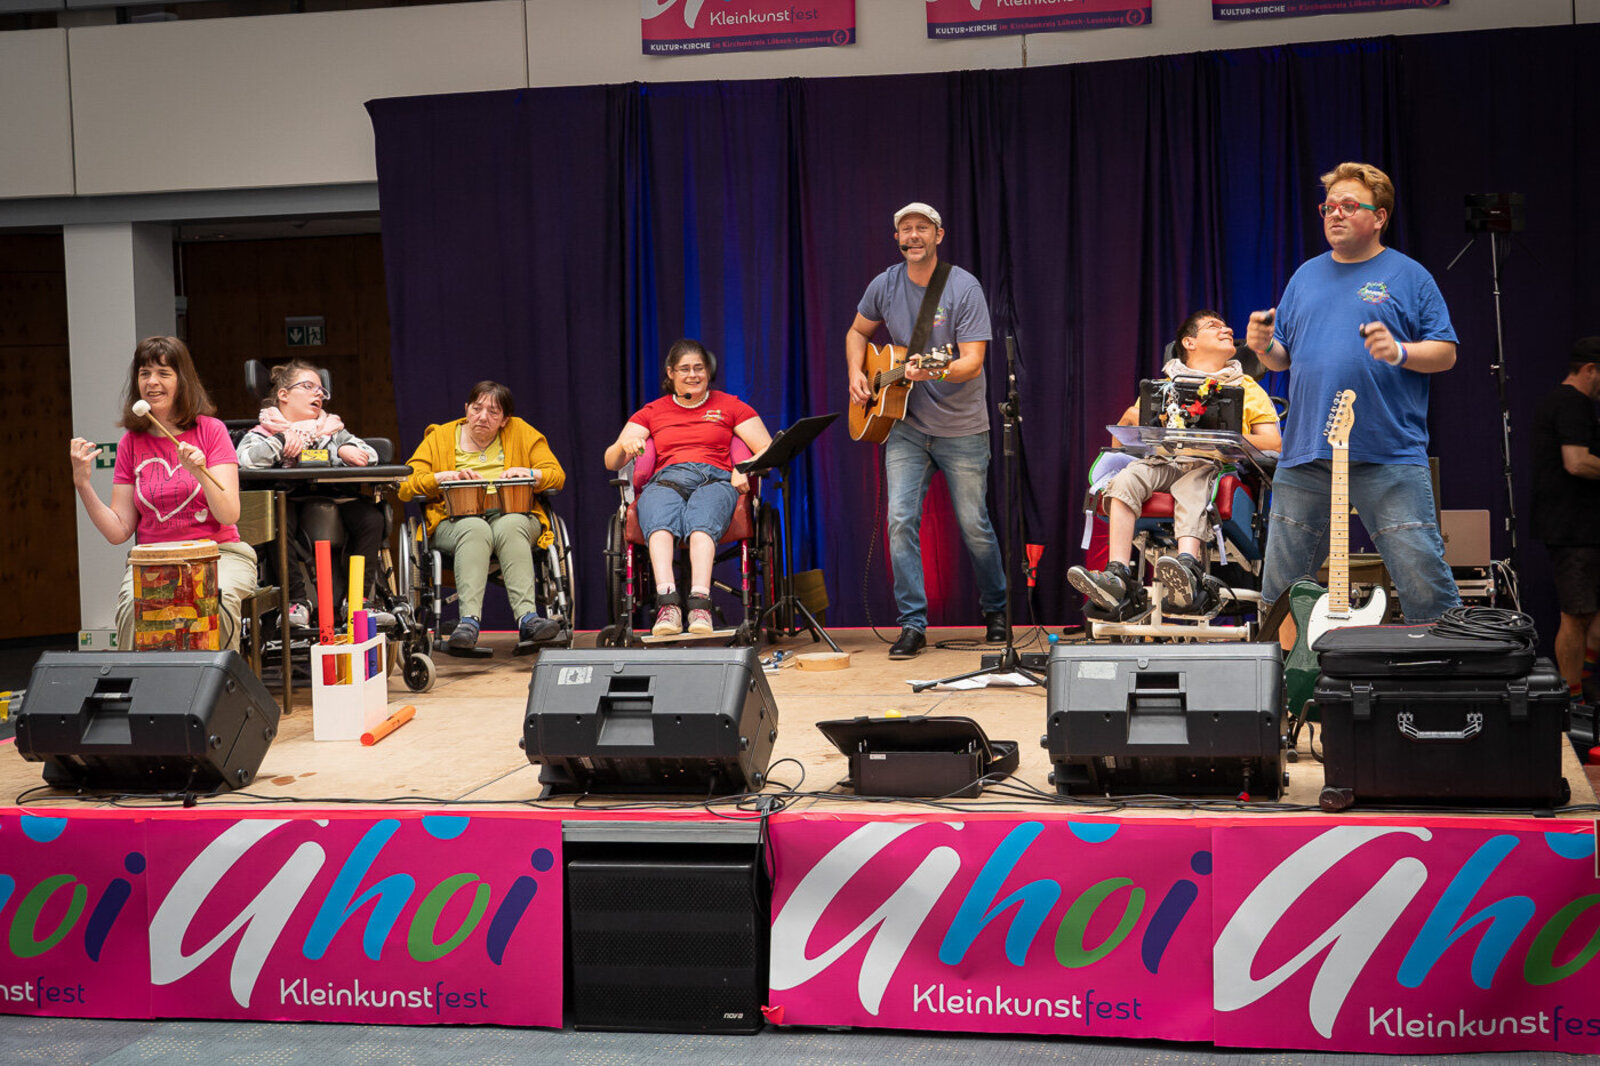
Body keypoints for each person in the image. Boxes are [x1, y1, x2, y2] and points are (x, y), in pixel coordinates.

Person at [1246, 162, 1460, 625]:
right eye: (1328, 207)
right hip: (1307, 451)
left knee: (1421, 577)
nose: (1335, 214)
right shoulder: (1305, 276)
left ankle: (1444, 666)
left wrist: (1399, 351)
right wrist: (1263, 347)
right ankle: (1282, 667)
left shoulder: (1409, 276)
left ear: (1379, 217)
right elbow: (1283, 358)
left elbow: (1445, 353)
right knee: (1281, 585)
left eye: (1348, 205)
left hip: (1387, 450)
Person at [846, 201, 1008, 659]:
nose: (913, 235)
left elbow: (972, 362)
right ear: (897, 238)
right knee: (900, 521)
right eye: (905, 229)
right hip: (906, 425)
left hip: (962, 428)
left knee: (974, 525)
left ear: (939, 235)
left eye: (922, 228)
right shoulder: (884, 284)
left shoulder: (963, 287)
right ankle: (912, 624)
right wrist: (856, 372)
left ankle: (997, 610)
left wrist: (933, 371)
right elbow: (857, 332)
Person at [1067, 311, 1282, 619]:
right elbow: (1125, 436)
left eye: (1226, 326)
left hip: (1210, 465)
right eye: (1214, 326)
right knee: (1126, 479)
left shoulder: (1246, 388)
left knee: (1193, 484)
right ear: (1189, 342)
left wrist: (1223, 437)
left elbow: (1274, 443)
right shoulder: (1162, 388)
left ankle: (1188, 569)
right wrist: (1128, 423)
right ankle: (1118, 576)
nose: (1227, 330)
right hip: (1162, 461)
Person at [69, 336, 257, 652]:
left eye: (163, 373)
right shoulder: (130, 443)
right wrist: (82, 484)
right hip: (154, 560)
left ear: (182, 380)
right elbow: (118, 531)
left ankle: (219, 681)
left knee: (216, 601)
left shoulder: (211, 430)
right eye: (144, 373)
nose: (152, 382)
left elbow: (229, 514)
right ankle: (140, 682)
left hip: (218, 554)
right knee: (132, 609)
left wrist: (200, 472)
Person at [604, 338, 772, 636]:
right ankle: (668, 606)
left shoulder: (730, 406)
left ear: (709, 371)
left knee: (701, 523)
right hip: (667, 479)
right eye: (685, 369)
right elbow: (610, 460)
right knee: (659, 521)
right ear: (671, 373)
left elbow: (769, 449)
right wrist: (623, 447)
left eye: (699, 368)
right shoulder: (652, 411)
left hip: (715, 479)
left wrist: (743, 468)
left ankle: (699, 606)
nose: (693, 374)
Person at [398, 382, 565, 652]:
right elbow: (406, 486)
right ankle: (468, 622)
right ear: (467, 409)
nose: (483, 417)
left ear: (505, 420)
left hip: (512, 513)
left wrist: (530, 473)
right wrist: (442, 477)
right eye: (477, 409)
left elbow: (556, 475)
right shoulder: (440, 437)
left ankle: (528, 620)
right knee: (475, 529)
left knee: (511, 525)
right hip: (454, 520)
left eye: (493, 412)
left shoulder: (522, 432)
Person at [236, 359, 385, 629]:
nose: (319, 394)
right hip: (287, 501)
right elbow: (244, 460)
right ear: (283, 394)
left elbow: (371, 454)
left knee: (372, 519)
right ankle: (296, 601)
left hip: (335, 499)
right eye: (308, 387)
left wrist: (340, 451)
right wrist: (281, 442)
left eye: (321, 390)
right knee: (276, 519)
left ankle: (358, 600)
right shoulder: (265, 431)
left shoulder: (333, 430)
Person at [1530, 337, 1600, 702]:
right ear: (1590, 369)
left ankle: (1582, 685)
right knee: (1576, 615)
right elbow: (1576, 462)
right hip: (1573, 530)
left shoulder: (1572, 404)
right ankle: (1572, 704)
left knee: (1590, 616)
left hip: (1583, 528)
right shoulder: (1571, 403)